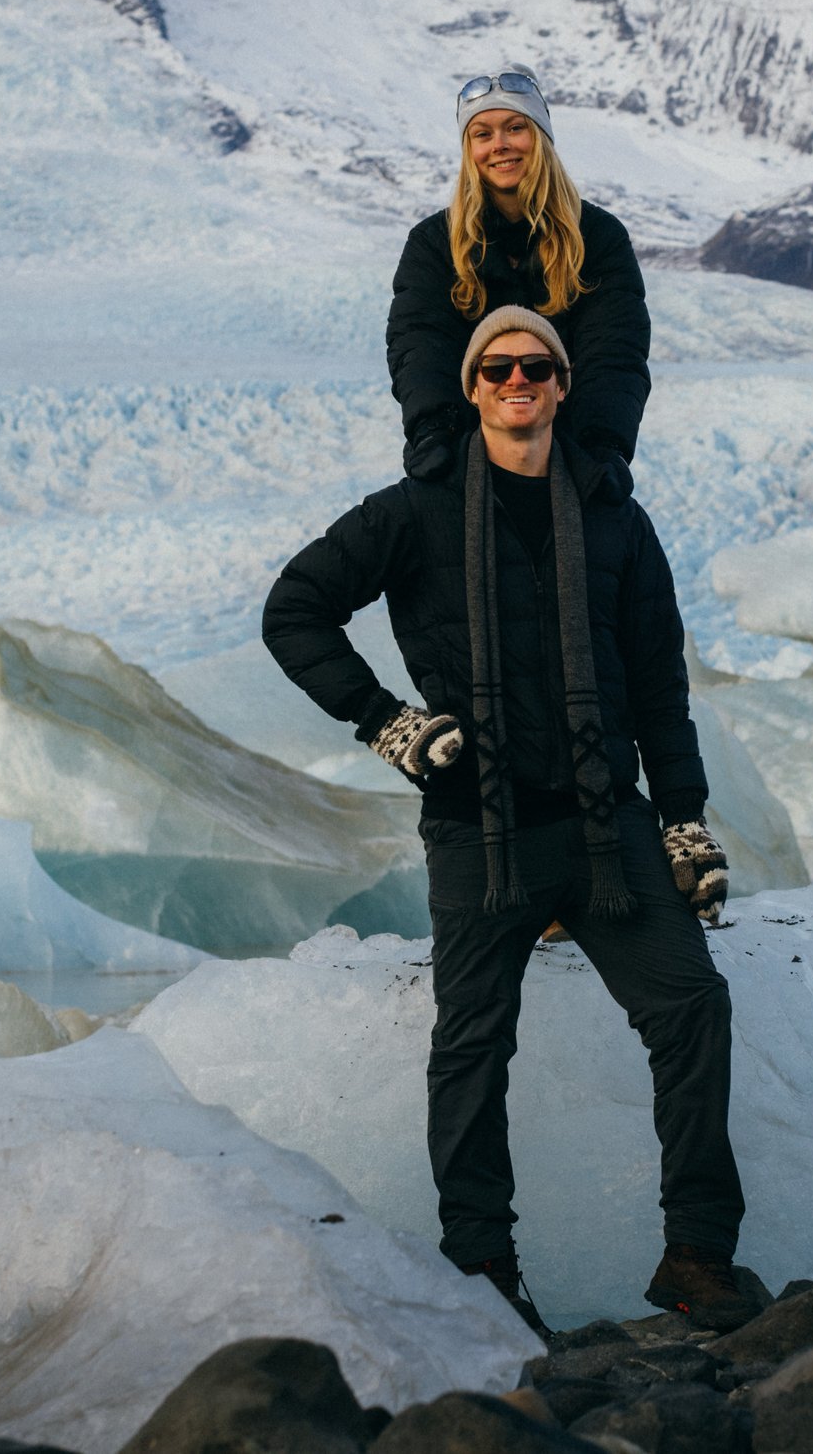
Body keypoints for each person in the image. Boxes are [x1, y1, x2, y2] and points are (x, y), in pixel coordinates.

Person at [262, 304, 761, 1339]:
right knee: (472, 1041)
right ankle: (481, 1263)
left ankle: (697, 1254)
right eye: (496, 367)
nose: (517, 380)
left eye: (536, 365)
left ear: (563, 385)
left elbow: (659, 687)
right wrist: (385, 722)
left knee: (691, 1007)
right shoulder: (416, 509)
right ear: (473, 386)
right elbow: (295, 605)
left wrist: (683, 822)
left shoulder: (615, 519)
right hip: (474, 824)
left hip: (601, 828)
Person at [388, 67, 650, 503]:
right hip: (464, 462)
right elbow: (419, 343)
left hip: (574, 462)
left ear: (542, 137)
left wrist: (601, 445)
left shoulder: (599, 238)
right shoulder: (433, 245)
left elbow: (615, 347)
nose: (500, 145)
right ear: (468, 149)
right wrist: (436, 434)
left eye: (515, 127)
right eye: (482, 134)